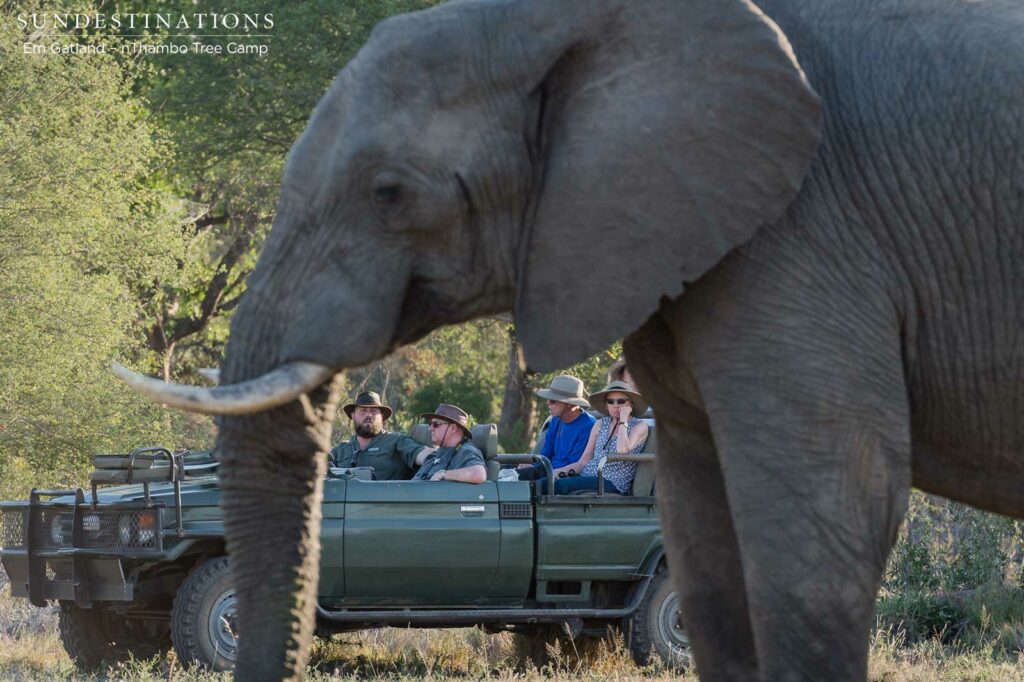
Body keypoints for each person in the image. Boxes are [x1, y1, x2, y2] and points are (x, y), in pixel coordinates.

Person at [541, 381, 649, 495]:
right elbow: (583, 462)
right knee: (543, 483)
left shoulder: (639, 426)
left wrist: (623, 419)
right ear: (606, 405)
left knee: (559, 486)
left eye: (621, 401)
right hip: (588, 475)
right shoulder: (600, 424)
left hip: (612, 482)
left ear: (630, 404)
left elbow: (622, 450)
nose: (615, 405)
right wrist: (558, 471)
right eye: (610, 401)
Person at [329, 391, 434, 480]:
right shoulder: (341, 450)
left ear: (382, 416)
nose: (369, 415)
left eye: (374, 411)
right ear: (353, 416)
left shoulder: (396, 441)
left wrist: (442, 458)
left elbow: (423, 454)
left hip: (386, 502)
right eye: (363, 411)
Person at [518, 375, 596, 481]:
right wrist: (531, 466)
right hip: (549, 471)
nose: (548, 403)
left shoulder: (589, 426)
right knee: (508, 473)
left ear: (569, 404)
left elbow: (574, 465)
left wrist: (536, 470)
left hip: (565, 477)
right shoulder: (555, 420)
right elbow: (545, 454)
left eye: (553, 401)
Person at [413, 404, 487, 484]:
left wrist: (443, 474)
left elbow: (479, 474)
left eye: (436, 424)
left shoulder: (465, 451)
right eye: (430, 424)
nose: (430, 428)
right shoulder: (437, 454)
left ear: (453, 428)